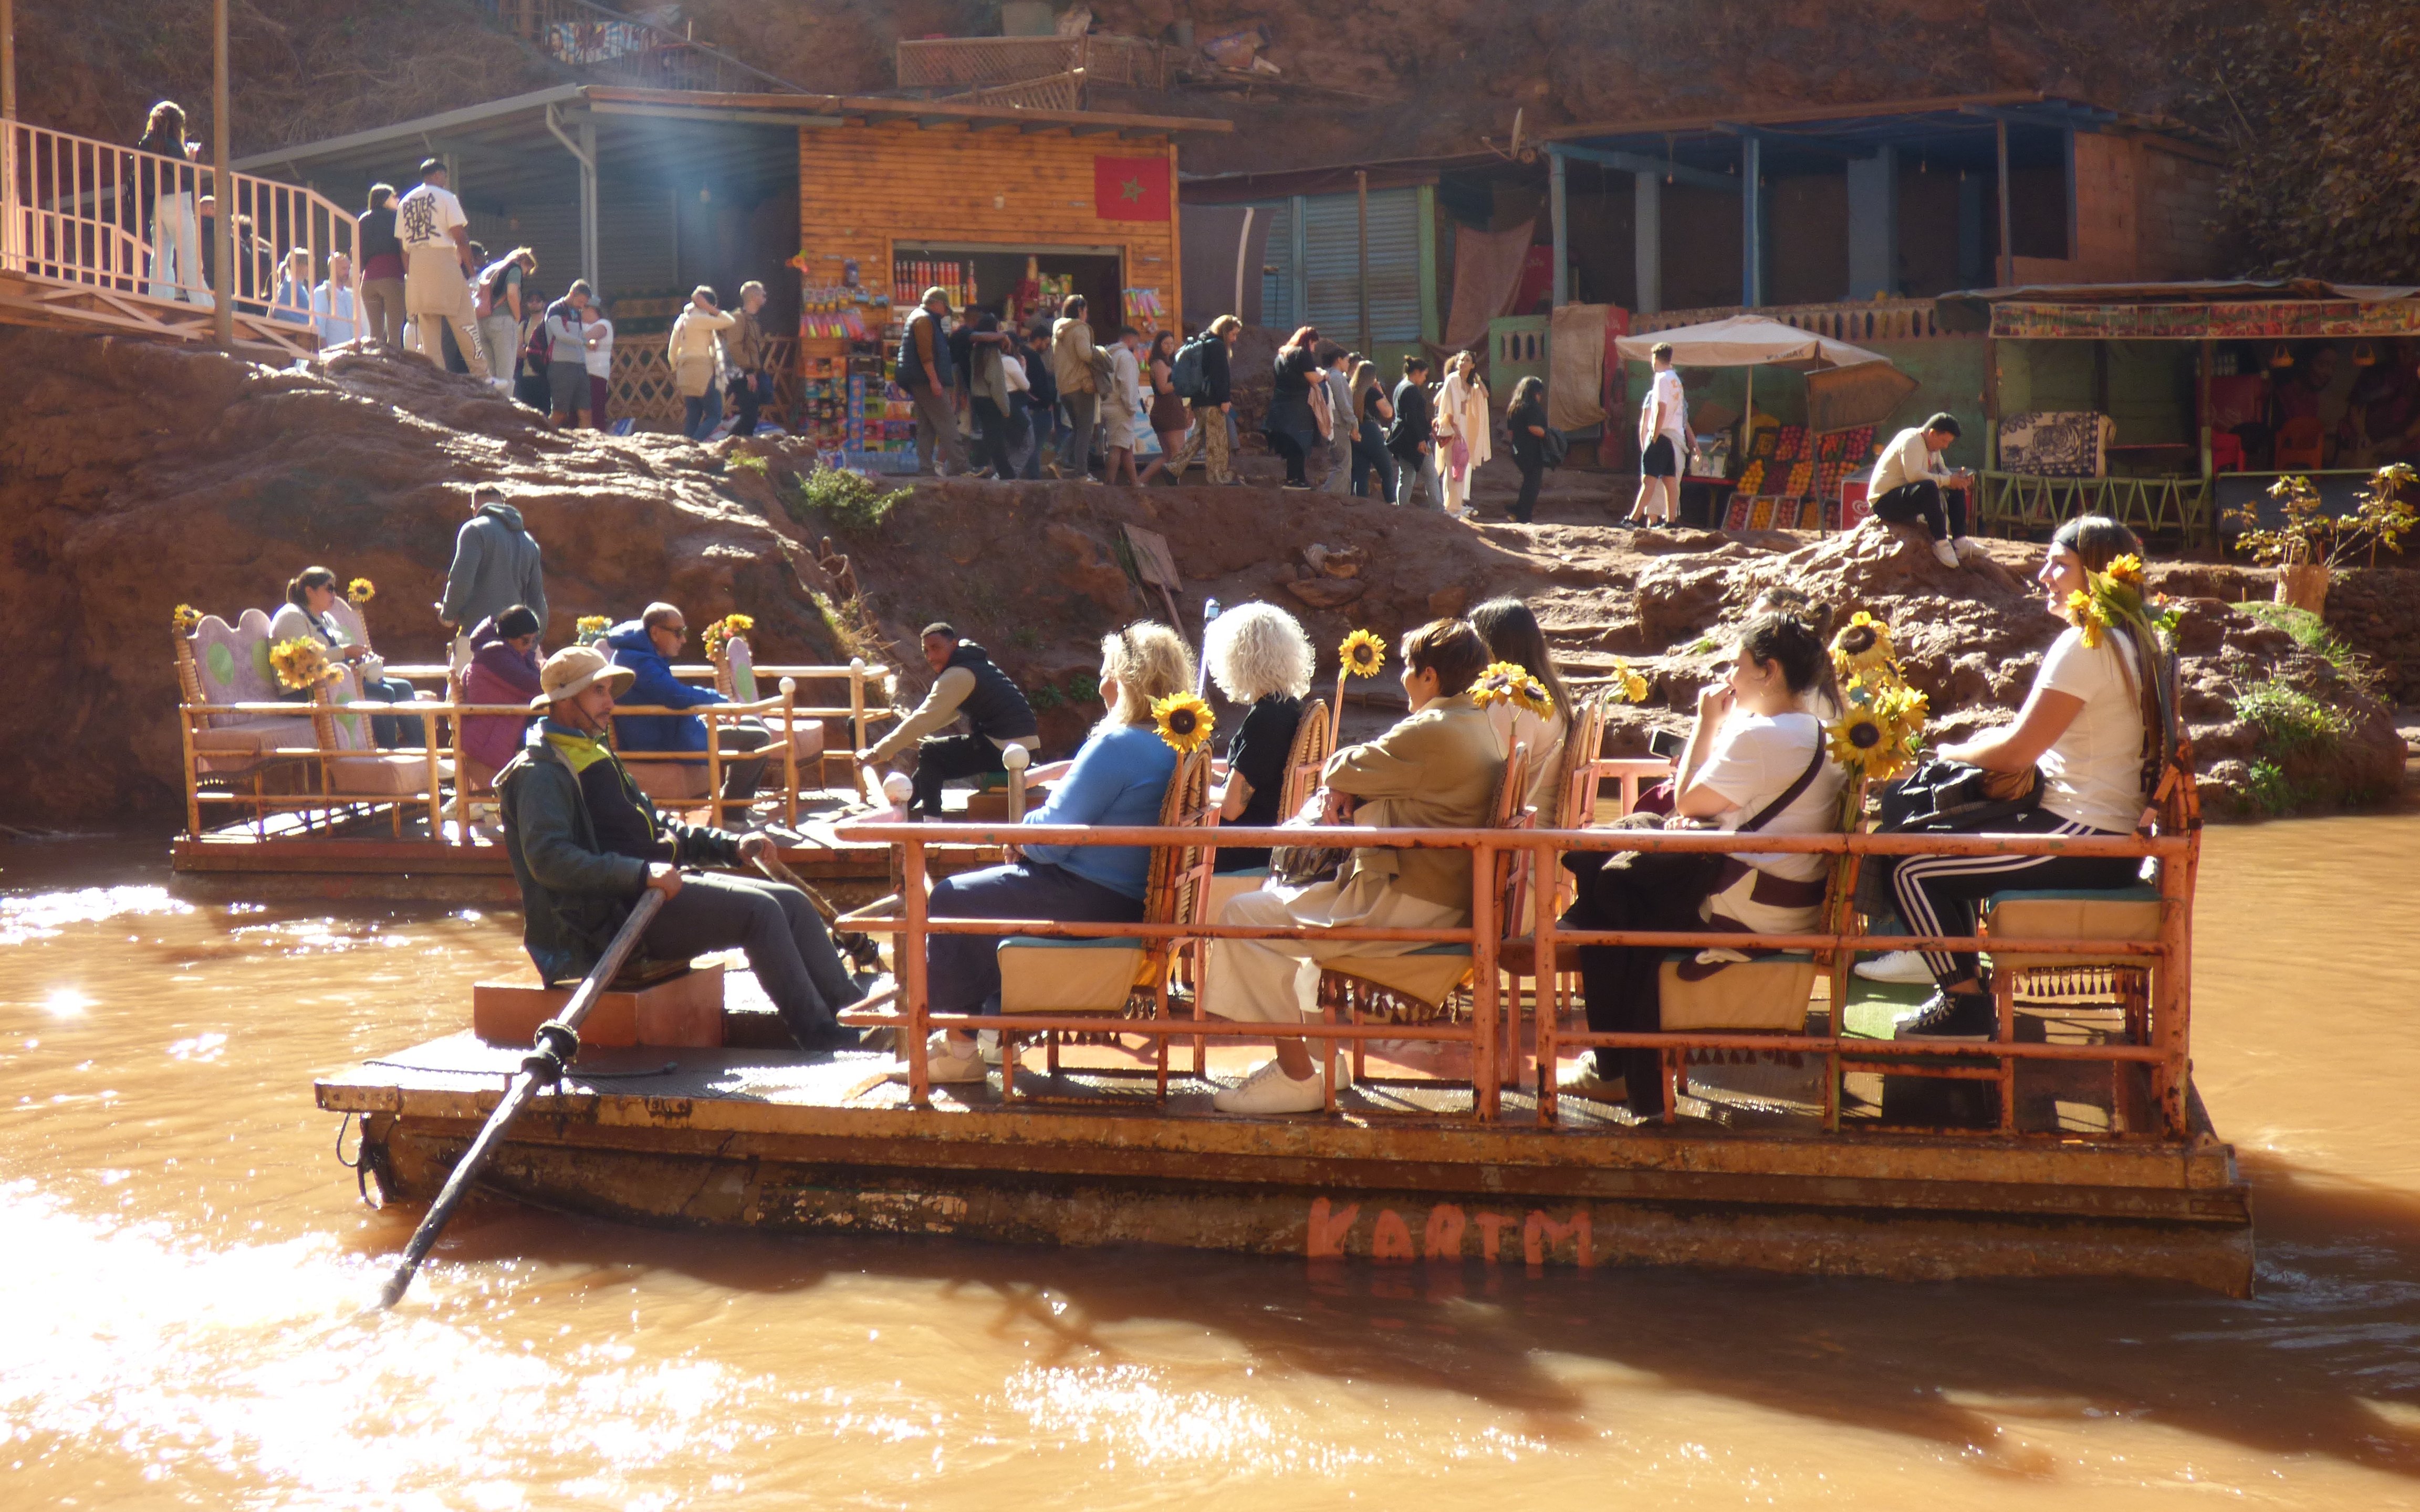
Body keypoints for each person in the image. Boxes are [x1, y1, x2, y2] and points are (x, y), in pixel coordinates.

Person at [497, 646, 864, 1053]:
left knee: (791, 901)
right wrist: (641, 874)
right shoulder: (541, 771)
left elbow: (656, 829)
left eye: (608, 691)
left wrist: (730, 847)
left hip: (650, 894)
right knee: (761, 913)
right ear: (566, 701)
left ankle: (854, 1015)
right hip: (609, 920)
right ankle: (816, 1032)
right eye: (599, 692)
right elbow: (551, 860)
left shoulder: (591, 747)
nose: (610, 703)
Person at [1205, 619, 1505, 1114]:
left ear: (1429, 677)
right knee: (1276, 918)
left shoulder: (1433, 728)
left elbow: (1340, 767)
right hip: (1435, 897)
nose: (1403, 680)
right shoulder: (1477, 721)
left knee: (1243, 917)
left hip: (1411, 906)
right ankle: (1326, 1061)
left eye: (1409, 670)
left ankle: (1297, 1075)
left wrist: (1344, 784)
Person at [1886, 516, 2166, 1042]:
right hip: (2100, 833)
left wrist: (1946, 750)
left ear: (2100, 576)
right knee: (1937, 842)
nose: (2044, 575)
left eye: (2060, 564)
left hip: (2083, 836)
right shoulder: (2134, 640)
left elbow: (2016, 753)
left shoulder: (2089, 644)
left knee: (1909, 867)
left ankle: (1964, 1007)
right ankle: (1960, 985)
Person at [1558, 603, 1844, 1110]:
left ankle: (1618, 1065)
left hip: (1749, 903)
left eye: (1737, 665)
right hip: (1783, 893)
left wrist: (1705, 722)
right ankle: (1617, 1060)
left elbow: (1686, 798)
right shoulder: (1821, 731)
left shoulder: (1764, 735)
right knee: (1623, 851)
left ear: (1768, 669)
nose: (1730, 677)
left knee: (1609, 891)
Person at [918, 623, 1192, 1084]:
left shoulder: (1118, 743)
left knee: (950, 897)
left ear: (1126, 680)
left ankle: (959, 1048)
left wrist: (1016, 833)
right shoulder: (1178, 742)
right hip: (1130, 897)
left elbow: (1049, 841)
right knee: (989, 897)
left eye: (1107, 673)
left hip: (1088, 895)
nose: (1102, 683)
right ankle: (990, 1033)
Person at [856, 623, 1041, 819]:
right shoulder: (977, 664)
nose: (930, 656)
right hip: (1025, 747)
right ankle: (903, 808)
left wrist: (878, 752)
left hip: (1004, 748)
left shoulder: (958, 675)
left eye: (936, 648)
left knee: (931, 752)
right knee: (934, 755)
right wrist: (907, 739)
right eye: (926, 651)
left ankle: (932, 822)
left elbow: (923, 719)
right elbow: (943, 715)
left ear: (953, 645)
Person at [604, 605, 777, 806]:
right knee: (758, 739)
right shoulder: (636, 661)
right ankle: (732, 813)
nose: (684, 640)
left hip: (673, 733)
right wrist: (719, 700)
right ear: (655, 632)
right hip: (661, 743)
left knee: (752, 724)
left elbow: (671, 694)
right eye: (678, 633)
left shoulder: (641, 654)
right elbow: (675, 695)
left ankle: (731, 805)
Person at [1204, 603, 1311, 873]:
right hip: (1269, 843)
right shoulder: (1291, 708)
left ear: (1238, 658)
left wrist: (1192, 790)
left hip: (1243, 851)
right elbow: (1257, 778)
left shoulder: (1266, 718)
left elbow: (1231, 808)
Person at [270, 566, 420, 748]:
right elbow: (305, 660)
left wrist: (361, 658)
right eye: (329, 589)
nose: (334, 594)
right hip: (303, 693)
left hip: (333, 685)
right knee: (383, 693)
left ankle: (423, 758)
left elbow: (341, 653)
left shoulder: (325, 617)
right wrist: (345, 652)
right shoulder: (291, 617)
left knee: (403, 688)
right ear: (310, 591)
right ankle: (387, 759)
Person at [1469, 596, 1571, 815]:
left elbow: (1493, 789)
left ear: (1492, 647)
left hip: (1523, 838)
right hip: (1535, 831)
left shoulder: (1513, 703)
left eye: (1473, 642)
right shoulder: (1541, 693)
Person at [395, 159, 488, 380]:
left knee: (429, 327)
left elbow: (402, 247)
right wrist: (472, 273)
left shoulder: (405, 202)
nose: (445, 181)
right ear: (438, 175)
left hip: (417, 263)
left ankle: (436, 377)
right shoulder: (446, 197)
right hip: (442, 259)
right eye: (444, 177)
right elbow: (461, 237)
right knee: (464, 318)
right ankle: (482, 374)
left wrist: (411, 274)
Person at [438, 486, 548, 638]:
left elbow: (461, 581)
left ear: (474, 509)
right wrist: (532, 644)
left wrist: (448, 615)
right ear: (503, 505)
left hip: (476, 636)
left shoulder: (474, 529)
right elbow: (537, 602)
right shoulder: (529, 542)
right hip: (512, 643)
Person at [1869, 412, 1975, 569]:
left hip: (1907, 495)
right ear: (1932, 433)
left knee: (1954, 486)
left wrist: (1958, 480)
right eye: (1944, 441)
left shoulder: (1933, 447)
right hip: (1885, 502)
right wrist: (1947, 480)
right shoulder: (1911, 441)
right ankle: (1941, 543)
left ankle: (1961, 541)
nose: (1945, 446)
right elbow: (1914, 476)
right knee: (1929, 487)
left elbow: (1943, 472)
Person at [458, 605, 544, 792]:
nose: (530, 646)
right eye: (525, 641)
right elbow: (535, 686)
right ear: (508, 637)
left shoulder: (508, 653)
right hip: (489, 738)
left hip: (502, 728)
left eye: (533, 641)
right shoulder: (495, 655)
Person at [135, 101, 205, 305]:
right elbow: (184, 178)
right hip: (178, 202)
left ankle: (157, 300)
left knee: (161, 257)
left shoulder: (145, 144)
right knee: (190, 256)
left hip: (158, 203)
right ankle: (204, 304)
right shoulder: (174, 147)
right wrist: (190, 160)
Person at [895, 285, 968, 475]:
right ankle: (960, 466)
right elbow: (926, 355)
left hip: (920, 380)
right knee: (948, 423)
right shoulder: (924, 320)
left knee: (927, 427)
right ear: (937, 304)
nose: (945, 313)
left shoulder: (921, 317)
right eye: (945, 308)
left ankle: (926, 469)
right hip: (926, 381)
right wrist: (935, 381)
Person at [1165, 314, 1239, 485]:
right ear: (1225, 331)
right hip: (1213, 402)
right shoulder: (1217, 346)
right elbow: (1221, 377)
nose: (1234, 339)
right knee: (1217, 441)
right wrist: (1225, 400)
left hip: (1199, 401)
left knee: (1197, 438)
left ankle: (1172, 468)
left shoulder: (1203, 345)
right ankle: (1218, 477)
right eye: (1233, 334)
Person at [1626, 340, 1687, 528]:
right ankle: (1671, 521)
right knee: (1670, 480)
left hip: (1661, 434)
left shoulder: (1661, 379)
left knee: (1649, 479)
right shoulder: (1676, 379)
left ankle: (1633, 520)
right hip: (1674, 436)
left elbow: (1661, 409)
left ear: (1655, 359)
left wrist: (1654, 435)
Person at [669, 286, 735, 442]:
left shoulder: (682, 319)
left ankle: (686, 450)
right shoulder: (701, 318)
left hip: (684, 371)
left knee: (693, 417)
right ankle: (695, 445)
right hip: (702, 371)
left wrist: (675, 368)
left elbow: (672, 350)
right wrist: (709, 308)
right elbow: (730, 321)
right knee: (715, 416)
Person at [1052, 295, 1105, 481]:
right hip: (1082, 386)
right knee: (1086, 430)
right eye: (1086, 311)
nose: (1087, 315)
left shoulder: (1058, 328)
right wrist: (1101, 355)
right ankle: (1082, 474)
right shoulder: (1080, 329)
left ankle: (1058, 461)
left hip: (1064, 388)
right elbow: (1085, 354)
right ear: (1081, 311)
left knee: (1077, 429)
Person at [1434, 349, 1491, 519]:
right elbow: (1448, 407)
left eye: (1467, 360)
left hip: (1465, 426)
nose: (1462, 363)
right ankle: (1451, 507)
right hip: (1454, 426)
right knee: (1453, 463)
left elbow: (1485, 395)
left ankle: (1457, 505)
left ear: (1473, 365)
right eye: (1460, 360)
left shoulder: (1468, 385)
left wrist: (1478, 379)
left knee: (1462, 464)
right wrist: (1455, 428)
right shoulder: (1453, 380)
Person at [964, 309, 1020, 478]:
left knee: (990, 436)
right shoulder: (992, 353)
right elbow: (996, 383)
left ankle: (985, 468)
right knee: (996, 439)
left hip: (978, 399)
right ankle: (1004, 473)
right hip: (990, 401)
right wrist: (1005, 408)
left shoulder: (976, 351)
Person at [1266, 326, 1324, 490]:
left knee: (1291, 443)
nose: (1313, 349)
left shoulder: (1281, 355)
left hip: (1281, 404)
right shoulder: (1302, 353)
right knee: (1300, 443)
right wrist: (1323, 375)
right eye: (1313, 344)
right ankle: (1297, 480)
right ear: (1308, 342)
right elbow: (1312, 376)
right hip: (1298, 406)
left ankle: (1293, 478)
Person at [475, 247, 536, 393]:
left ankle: (490, 408)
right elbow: (512, 293)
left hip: (481, 322)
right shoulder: (514, 268)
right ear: (524, 262)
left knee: (489, 376)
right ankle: (505, 409)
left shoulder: (491, 269)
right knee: (506, 374)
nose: (525, 274)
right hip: (503, 322)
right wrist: (517, 317)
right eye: (527, 271)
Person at [541, 281, 600, 428]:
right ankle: (546, 436)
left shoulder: (577, 312)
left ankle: (588, 445)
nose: (582, 306)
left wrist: (585, 344)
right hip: (561, 366)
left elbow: (578, 336)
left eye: (584, 303)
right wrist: (585, 342)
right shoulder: (556, 309)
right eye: (580, 301)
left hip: (579, 366)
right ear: (572, 294)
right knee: (560, 413)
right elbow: (561, 335)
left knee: (586, 411)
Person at [354, 185, 406, 349]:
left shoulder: (363, 219)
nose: (397, 200)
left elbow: (357, 251)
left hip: (368, 280)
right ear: (385, 199)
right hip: (392, 277)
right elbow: (403, 247)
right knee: (395, 336)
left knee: (375, 336)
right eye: (394, 196)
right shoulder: (397, 217)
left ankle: (373, 367)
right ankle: (394, 372)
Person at [1138, 330, 1190, 485]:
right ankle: (1173, 486)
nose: (1169, 347)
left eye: (1172, 343)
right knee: (1176, 454)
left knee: (1168, 455)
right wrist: (1180, 381)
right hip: (1167, 411)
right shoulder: (1159, 363)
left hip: (1172, 408)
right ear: (1159, 345)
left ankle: (1141, 481)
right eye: (1166, 343)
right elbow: (1163, 388)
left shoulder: (1170, 363)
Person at [1389, 356, 1438, 508]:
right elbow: (1411, 417)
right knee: (1431, 475)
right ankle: (1438, 509)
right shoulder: (1410, 390)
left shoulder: (1401, 387)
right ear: (1416, 373)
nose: (1425, 379)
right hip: (1415, 440)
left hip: (1404, 439)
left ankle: (1402, 508)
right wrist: (1421, 440)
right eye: (1424, 375)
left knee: (1407, 476)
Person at [727, 280, 773, 440]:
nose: (765, 296)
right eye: (762, 293)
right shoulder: (738, 318)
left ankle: (732, 445)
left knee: (751, 414)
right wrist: (748, 371)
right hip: (742, 374)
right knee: (750, 415)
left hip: (753, 372)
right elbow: (734, 346)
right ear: (754, 296)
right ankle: (738, 448)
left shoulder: (753, 320)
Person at [1348, 359, 1397, 502]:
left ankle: (1361, 505)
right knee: (1387, 471)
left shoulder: (1351, 389)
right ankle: (1392, 503)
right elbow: (1388, 412)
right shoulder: (1372, 392)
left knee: (1361, 473)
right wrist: (1381, 394)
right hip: (1371, 431)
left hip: (1355, 431)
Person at [1017, 323, 1061, 479]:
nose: (1047, 347)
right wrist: (1048, 400)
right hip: (1039, 410)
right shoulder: (1033, 357)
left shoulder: (1020, 354)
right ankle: (1034, 482)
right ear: (1038, 340)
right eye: (1046, 343)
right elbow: (1037, 385)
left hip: (1026, 407)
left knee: (1028, 448)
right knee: (1034, 449)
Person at [1505, 375, 1550, 524]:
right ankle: (1523, 515)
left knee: (1529, 482)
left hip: (1518, 450)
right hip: (1532, 451)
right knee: (1533, 484)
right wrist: (1550, 435)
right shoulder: (1532, 407)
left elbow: (1511, 432)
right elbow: (1533, 428)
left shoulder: (1514, 407)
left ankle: (1518, 510)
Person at [1101, 326, 1144, 486]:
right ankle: (1109, 484)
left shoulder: (1109, 354)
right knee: (1117, 447)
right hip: (1120, 407)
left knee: (1126, 447)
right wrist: (1131, 407)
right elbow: (1127, 384)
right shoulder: (1126, 357)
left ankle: (1135, 482)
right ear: (1131, 339)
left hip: (1108, 405)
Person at [1318, 344, 1357, 496]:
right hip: (1338, 425)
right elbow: (1344, 405)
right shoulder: (1337, 377)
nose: (1348, 364)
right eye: (1347, 361)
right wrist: (1354, 424)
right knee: (1343, 464)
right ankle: (1329, 495)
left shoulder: (1326, 374)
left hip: (1328, 425)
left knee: (1339, 462)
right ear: (1339, 360)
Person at [311, 253, 361, 350]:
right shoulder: (322, 293)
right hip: (334, 355)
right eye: (343, 269)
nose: (347, 272)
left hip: (352, 354)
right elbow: (320, 330)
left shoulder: (349, 295)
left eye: (348, 269)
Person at [584, 297, 616, 430]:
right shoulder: (581, 326)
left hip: (597, 374)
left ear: (592, 309)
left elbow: (589, 336)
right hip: (581, 374)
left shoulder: (604, 324)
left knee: (596, 412)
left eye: (584, 308)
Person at [269, 248, 315, 327]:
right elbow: (279, 310)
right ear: (296, 264)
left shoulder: (299, 286)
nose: (311, 268)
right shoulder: (291, 283)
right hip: (295, 336)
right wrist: (305, 324)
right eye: (308, 264)